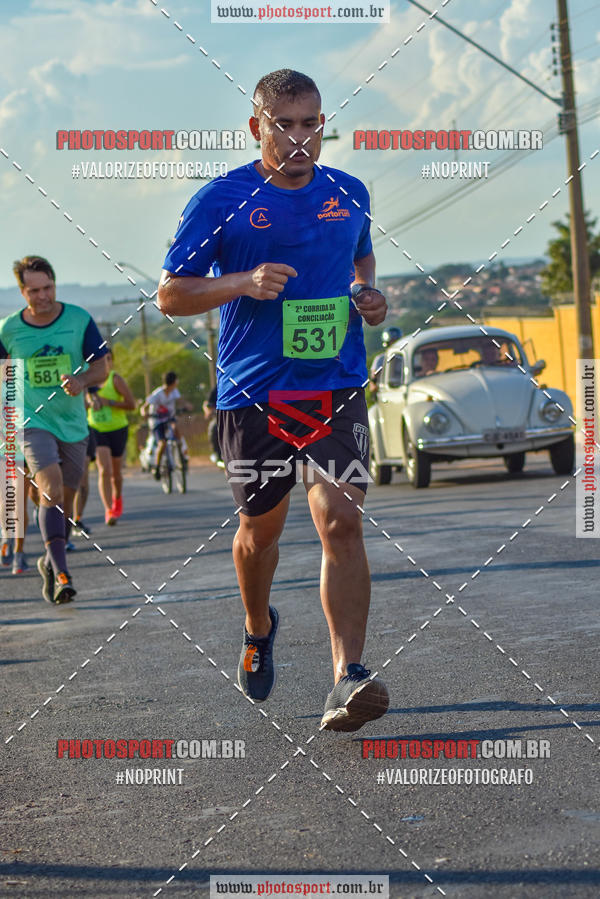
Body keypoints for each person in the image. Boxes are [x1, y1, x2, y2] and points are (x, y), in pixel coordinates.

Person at [157, 69, 390, 732]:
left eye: (311, 122)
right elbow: (172, 295)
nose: (299, 137)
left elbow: (361, 261)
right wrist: (242, 281)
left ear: (324, 124)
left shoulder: (350, 191)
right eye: (284, 124)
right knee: (260, 533)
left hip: (334, 384)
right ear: (256, 126)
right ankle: (259, 625)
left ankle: (348, 676)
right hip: (252, 393)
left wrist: (367, 298)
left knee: (340, 517)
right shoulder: (221, 200)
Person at [0, 256, 108, 603]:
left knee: (67, 498)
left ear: (55, 285)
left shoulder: (79, 320)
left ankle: (49, 561)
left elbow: (102, 368)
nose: (42, 296)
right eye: (34, 291)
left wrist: (81, 380)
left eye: (47, 288)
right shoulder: (9, 329)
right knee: (51, 489)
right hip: (31, 421)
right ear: (22, 291)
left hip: (73, 424)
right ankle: (62, 574)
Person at [87, 350, 136, 525]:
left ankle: (117, 499)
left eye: (108, 359)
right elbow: (80, 405)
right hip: (96, 429)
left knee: (116, 474)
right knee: (104, 470)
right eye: (101, 359)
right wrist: (90, 403)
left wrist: (111, 402)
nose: (105, 362)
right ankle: (108, 510)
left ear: (112, 362)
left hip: (117, 429)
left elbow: (132, 405)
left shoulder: (115, 380)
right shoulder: (87, 381)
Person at [141, 372, 192, 480]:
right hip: (157, 420)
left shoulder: (174, 392)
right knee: (162, 443)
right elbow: (144, 406)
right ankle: (157, 466)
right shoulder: (157, 394)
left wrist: (187, 405)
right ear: (173, 382)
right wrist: (144, 413)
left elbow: (180, 401)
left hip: (169, 418)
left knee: (176, 431)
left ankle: (180, 455)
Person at [369, 327, 401, 397]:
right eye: (392, 342)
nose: (394, 344)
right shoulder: (381, 359)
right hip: (386, 393)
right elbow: (373, 382)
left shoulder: (403, 357)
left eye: (396, 341)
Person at [203, 384, 223, 466]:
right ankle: (216, 453)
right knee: (213, 427)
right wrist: (209, 411)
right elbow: (207, 404)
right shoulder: (217, 388)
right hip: (220, 415)